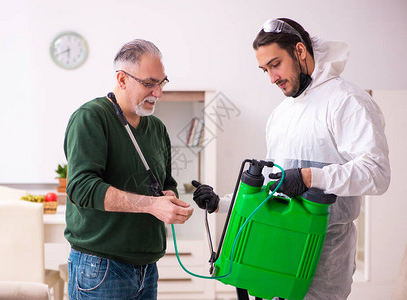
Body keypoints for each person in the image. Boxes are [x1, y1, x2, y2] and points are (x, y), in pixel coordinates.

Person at [192, 18, 390, 300]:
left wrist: (310, 177)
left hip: (323, 261)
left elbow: (377, 172)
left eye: (275, 64)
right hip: (276, 253)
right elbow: (274, 189)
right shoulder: (281, 115)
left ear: (299, 51)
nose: (272, 77)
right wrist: (222, 204)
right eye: (265, 70)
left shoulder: (346, 101)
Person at [64, 39, 194, 300]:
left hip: (148, 267)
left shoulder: (156, 128)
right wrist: (150, 205)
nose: (158, 93)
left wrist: (169, 197)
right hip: (101, 268)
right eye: (149, 83)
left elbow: (166, 180)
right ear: (122, 79)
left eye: (162, 83)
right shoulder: (91, 118)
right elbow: (80, 188)